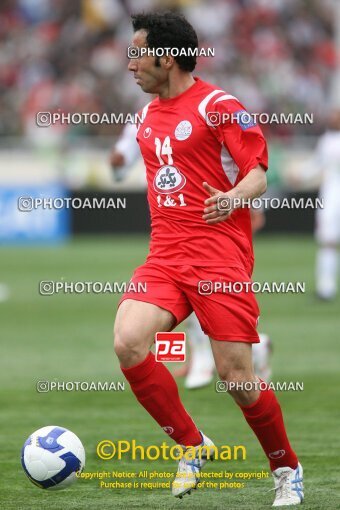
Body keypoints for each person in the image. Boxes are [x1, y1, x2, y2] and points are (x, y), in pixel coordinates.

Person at [113, 12, 303, 506]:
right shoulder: (146, 115)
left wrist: (235, 197)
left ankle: (286, 469)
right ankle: (193, 445)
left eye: (137, 52)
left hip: (220, 258)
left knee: (236, 378)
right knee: (129, 342)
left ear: (166, 56)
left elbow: (259, 173)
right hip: (165, 256)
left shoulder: (220, 105)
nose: (130, 64)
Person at [110, 126, 272, 389]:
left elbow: (240, 163)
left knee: (200, 292)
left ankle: (206, 359)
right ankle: (246, 349)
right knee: (171, 298)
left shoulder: (205, 112)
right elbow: (121, 166)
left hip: (207, 220)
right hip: (165, 219)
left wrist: (247, 202)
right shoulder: (141, 119)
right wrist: (116, 165)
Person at [314, 110, 340, 300]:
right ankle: (326, 287)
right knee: (328, 240)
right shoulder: (327, 140)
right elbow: (317, 165)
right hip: (331, 196)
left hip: (332, 195)